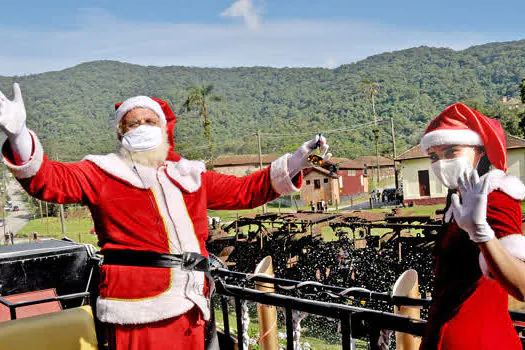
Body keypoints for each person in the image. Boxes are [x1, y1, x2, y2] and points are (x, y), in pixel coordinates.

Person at [0, 83, 331, 350]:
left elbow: (245, 190)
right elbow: (49, 181)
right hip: (137, 309)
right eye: (133, 122)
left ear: (164, 128)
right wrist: (19, 138)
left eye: (150, 120)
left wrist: (295, 163)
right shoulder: (101, 171)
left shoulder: (190, 175)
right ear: (120, 133)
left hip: (192, 303)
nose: (142, 126)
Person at [419, 103, 525, 349]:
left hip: (480, 340)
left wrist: (481, 233)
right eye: (434, 156)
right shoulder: (458, 202)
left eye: (451, 152)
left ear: (480, 151)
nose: (441, 163)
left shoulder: (496, 198)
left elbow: (522, 287)